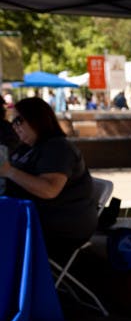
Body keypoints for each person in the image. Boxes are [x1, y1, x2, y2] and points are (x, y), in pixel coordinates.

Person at [0, 97, 97, 263]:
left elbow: (49, 189)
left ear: (37, 119)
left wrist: (9, 172)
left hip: (59, 227)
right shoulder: (27, 148)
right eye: (12, 121)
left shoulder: (58, 148)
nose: (14, 126)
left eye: (18, 120)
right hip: (31, 218)